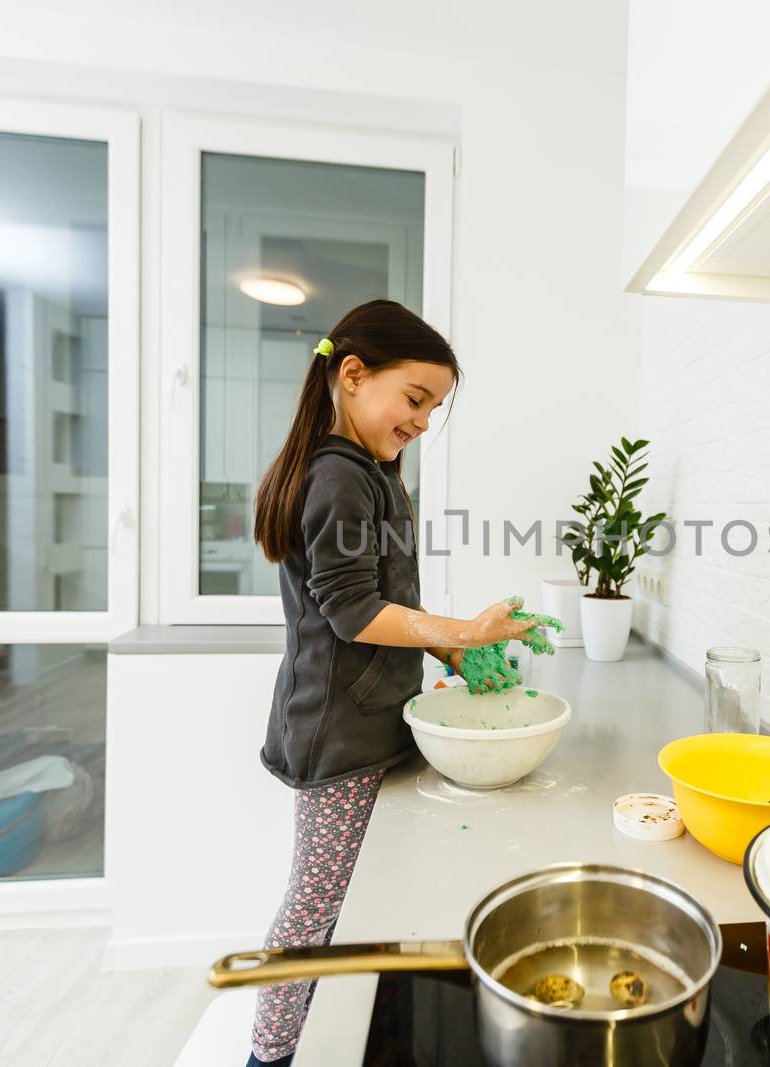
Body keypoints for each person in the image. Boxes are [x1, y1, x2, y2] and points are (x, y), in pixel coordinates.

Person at [246, 298, 543, 1066]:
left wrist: (449, 654)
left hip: (367, 721)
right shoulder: (339, 477)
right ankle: (268, 1058)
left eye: (432, 409)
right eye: (414, 398)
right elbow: (351, 612)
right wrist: (459, 631)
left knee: (350, 899)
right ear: (352, 375)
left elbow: (383, 601)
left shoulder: (369, 473)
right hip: (339, 735)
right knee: (316, 906)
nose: (421, 420)